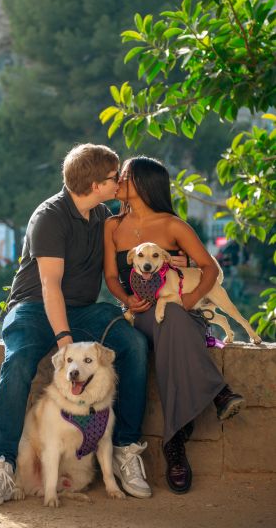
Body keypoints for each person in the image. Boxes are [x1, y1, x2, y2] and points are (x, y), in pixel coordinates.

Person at [0, 144, 153, 506]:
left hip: (85, 310)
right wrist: (65, 344)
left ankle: (124, 449)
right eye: (112, 176)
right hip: (34, 307)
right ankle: (1, 466)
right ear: (93, 184)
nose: (118, 180)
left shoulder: (102, 214)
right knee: (20, 360)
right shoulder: (50, 217)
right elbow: (49, 286)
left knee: (133, 345)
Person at [104, 156, 245, 495]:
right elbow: (110, 275)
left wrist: (190, 298)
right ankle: (218, 392)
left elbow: (210, 269)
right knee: (169, 324)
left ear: (143, 183)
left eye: (124, 176)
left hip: (180, 313)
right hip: (137, 314)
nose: (117, 180)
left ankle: (173, 444)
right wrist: (127, 297)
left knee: (175, 321)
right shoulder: (111, 226)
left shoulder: (173, 225)